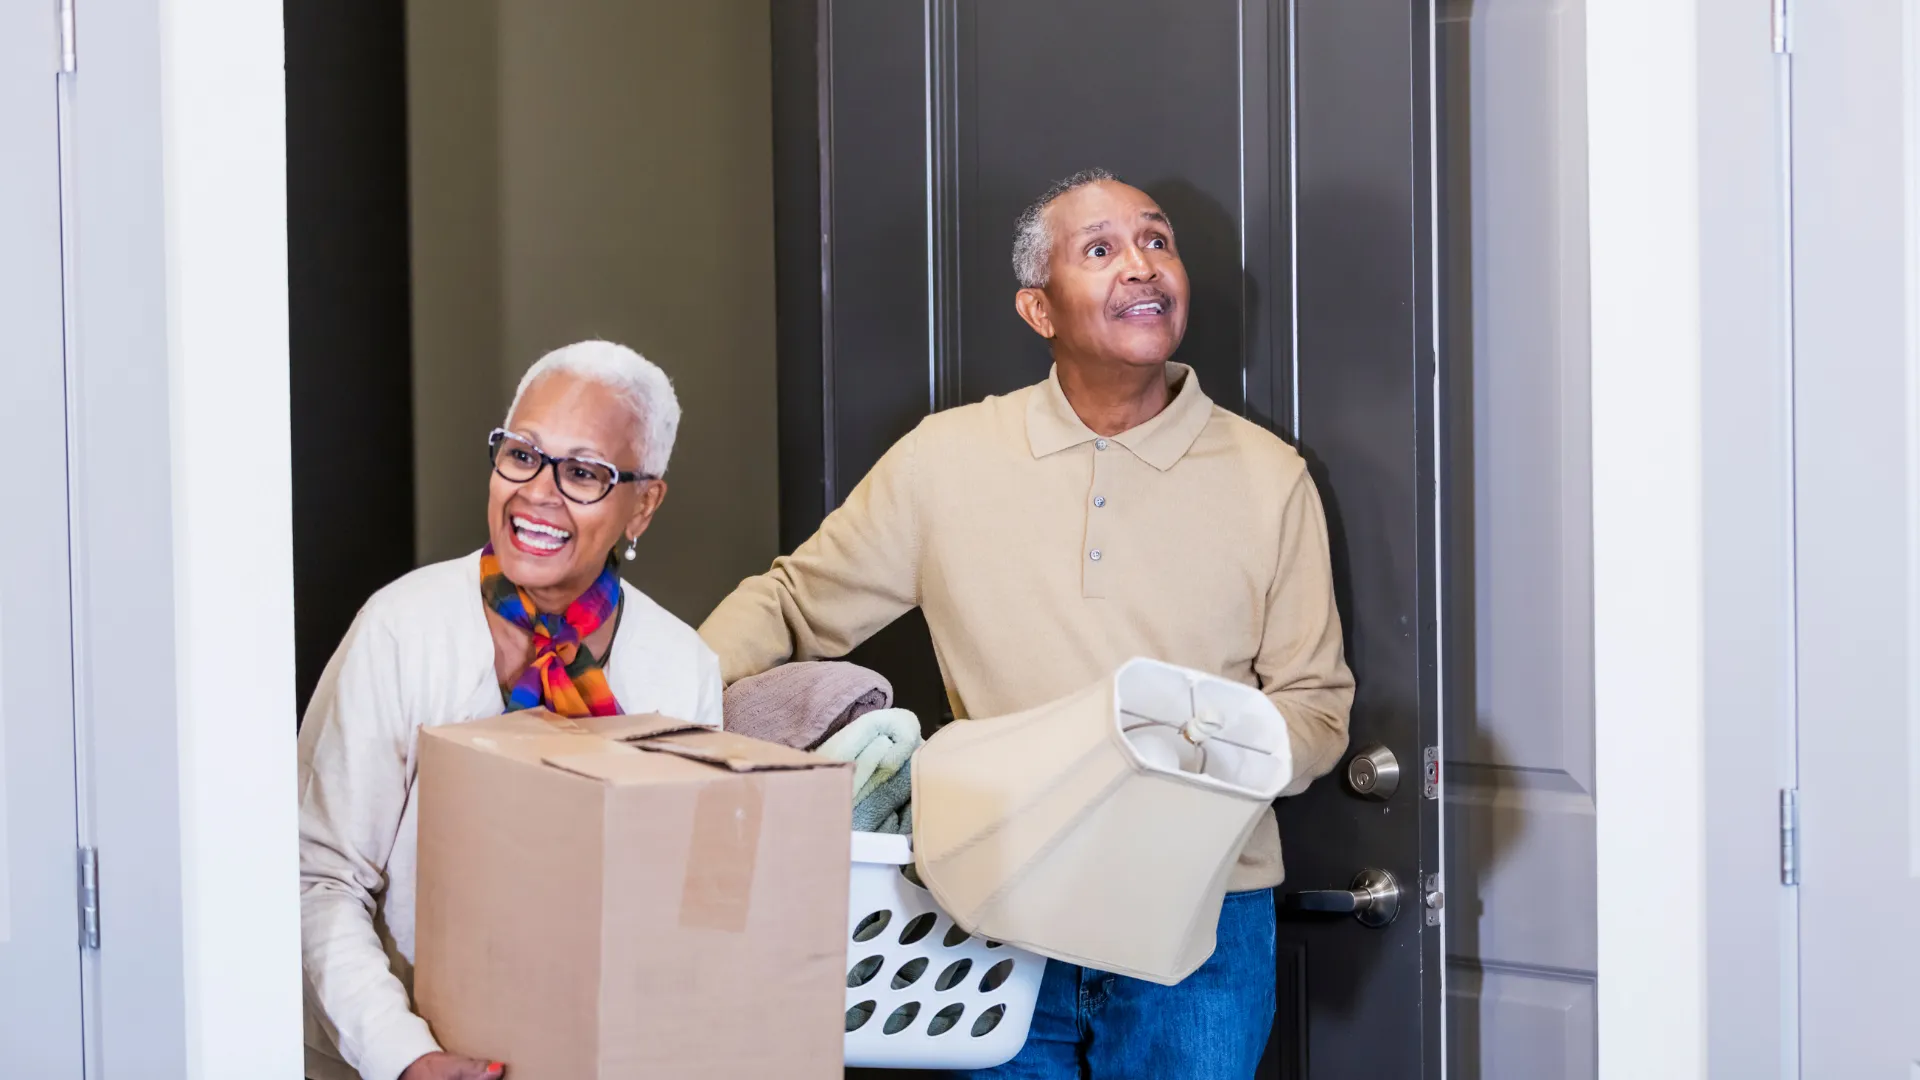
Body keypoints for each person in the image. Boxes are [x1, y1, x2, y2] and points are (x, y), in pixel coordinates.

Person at [699, 169, 1355, 1079]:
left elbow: (1317, 710)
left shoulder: (1270, 475)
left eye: (1156, 241)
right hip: (992, 915)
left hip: (1203, 925)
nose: (1141, 266)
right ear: (1039, 311)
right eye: (1101, 250)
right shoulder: (945, 459)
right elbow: (791, 604)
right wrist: (658, 714)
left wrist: (1193, 747)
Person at [299, 341, 723, 1080]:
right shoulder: (403, 628)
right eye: (522, 454)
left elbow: (685, 908)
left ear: (643, 506)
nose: (539, 493)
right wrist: (408, 1056)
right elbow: (318, 877)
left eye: (585, 472)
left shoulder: (680, 665)